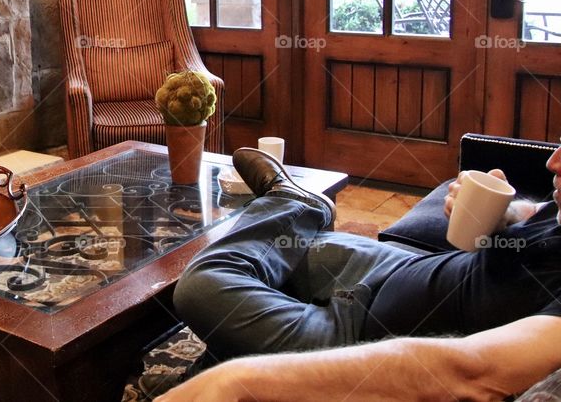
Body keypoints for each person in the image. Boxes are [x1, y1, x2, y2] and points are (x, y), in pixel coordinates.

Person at [153, 143, 561, 402]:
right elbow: (536, 216)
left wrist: (239, 380)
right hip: (402, 265)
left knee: (202, 286)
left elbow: (475, 372)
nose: (552, 160)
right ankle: (295, 207)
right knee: (286, 250)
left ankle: (295, 204)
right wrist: (505, 214)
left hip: (356, 333)